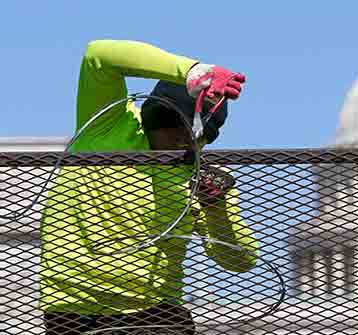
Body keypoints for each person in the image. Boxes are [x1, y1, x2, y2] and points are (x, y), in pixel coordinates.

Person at [38, 40, 258, 335]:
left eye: (194, 137)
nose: (182, 142)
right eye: (172, 129)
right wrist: (191, 72)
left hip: (155, 312)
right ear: (154, 118)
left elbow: (241, 260)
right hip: (75, 307)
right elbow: (97, 55)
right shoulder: (110, 125)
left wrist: (216, 208)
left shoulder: (206, 178)